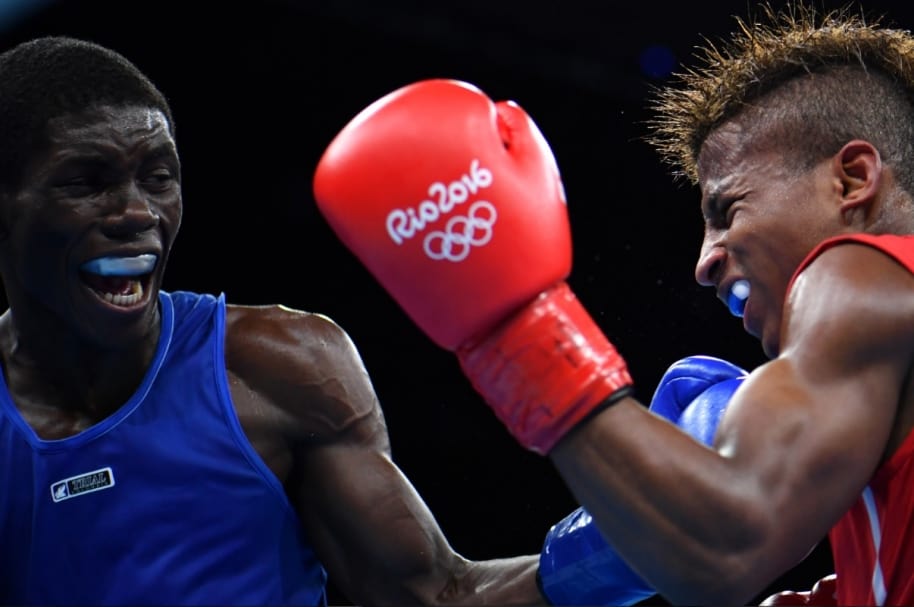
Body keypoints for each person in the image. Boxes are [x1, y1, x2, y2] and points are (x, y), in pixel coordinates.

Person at [311, 2, 914, 604]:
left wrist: (522, 333)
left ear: (852, 179)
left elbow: (725, 547)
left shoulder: (859, 275)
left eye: (727, 212)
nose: (705, 263)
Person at [0, 35, 559, 606]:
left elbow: (438, 596)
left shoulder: (274, 369)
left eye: (158, 177)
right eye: (86, 182)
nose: (138, 211)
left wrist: (620, 540)